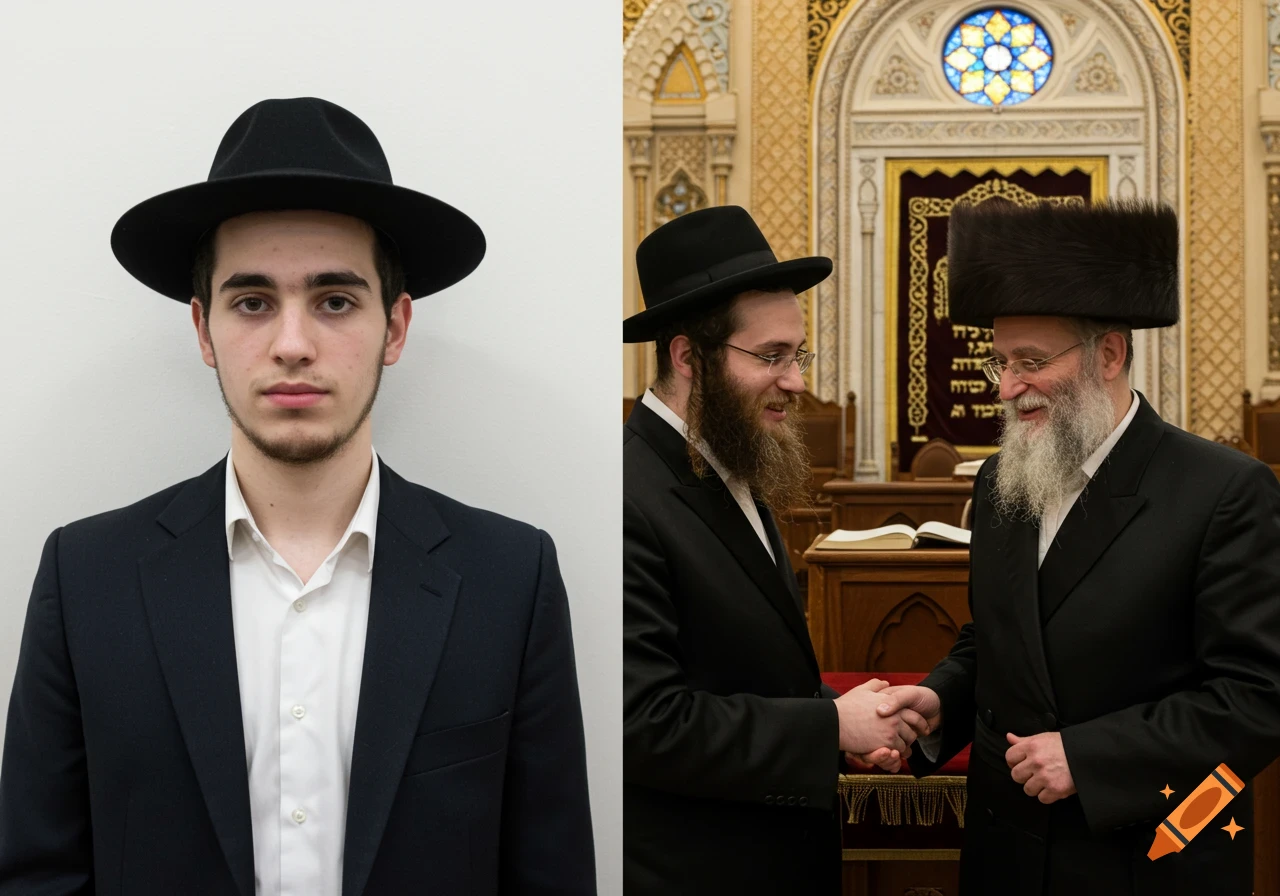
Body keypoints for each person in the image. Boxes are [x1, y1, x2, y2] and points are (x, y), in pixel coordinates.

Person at [0, 97, 595, 896]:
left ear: (395, 327)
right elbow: (37, 876)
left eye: (335, 300)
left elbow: (549, 874)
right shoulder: (87, 577)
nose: (291, 343)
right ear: (204, 331)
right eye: (252, 302)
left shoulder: (509, 577)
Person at [871, 199, 1280, 896]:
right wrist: (941, 700)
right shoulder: (1006, 474)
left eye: (1030, 361)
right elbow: (1000, 640)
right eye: (999, 362)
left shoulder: (1223, 491)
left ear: (1110, 354)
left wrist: (1089, 758)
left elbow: (1256, 697)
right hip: (1007, 854)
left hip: (1143, 859)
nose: (1007, 387)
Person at [622, 205, 929, 893]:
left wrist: (850, 719)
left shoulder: (729, 463)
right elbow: (643, 723)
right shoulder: (629, 496)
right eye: (771, 356)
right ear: (687, 358)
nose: (796, 380)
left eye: (798, 354)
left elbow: (739, 673)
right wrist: (826, 727)